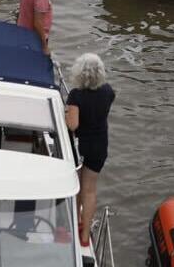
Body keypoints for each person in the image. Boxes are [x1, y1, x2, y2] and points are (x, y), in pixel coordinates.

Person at [64, 53, 115, 249]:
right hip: (100, 145)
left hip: (81, 147)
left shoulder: (76, 95)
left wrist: (66, 114)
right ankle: (85, 237)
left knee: (77, 186)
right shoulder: (108, 91)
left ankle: (76, 221)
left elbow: (73, 125)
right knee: (90, 190)